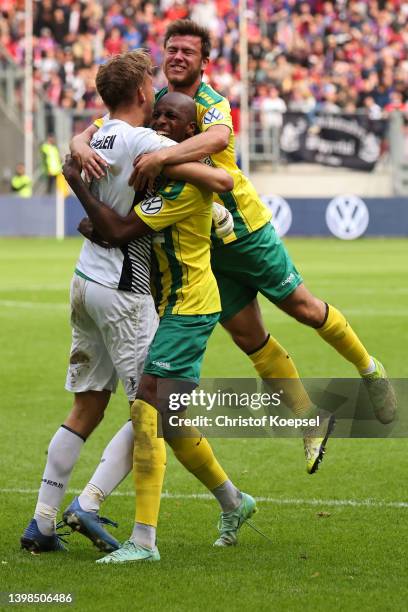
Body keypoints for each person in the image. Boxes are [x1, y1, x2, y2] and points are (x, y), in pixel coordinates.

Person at [72, 20, 396, 477]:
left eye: (189, 51)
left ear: (205, 62)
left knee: (303, 308)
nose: (179, 56)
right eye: (172, 49)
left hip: (244, 230)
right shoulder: (155, 104)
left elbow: (219, 139)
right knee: (250, 339)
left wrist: (164, 156)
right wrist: (76, 142)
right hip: (201, 246)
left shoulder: (211, 102)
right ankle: (309, 421)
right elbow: (100, 126)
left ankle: (369, 368)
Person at [21, 50, 252, 558]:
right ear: (145, 92)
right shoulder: (147, 139)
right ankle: (90, 504)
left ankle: (41, 521)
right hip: (125, 290)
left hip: (84, 279)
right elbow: (219, 177)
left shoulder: (99, 134)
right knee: (150, 406)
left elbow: (90, 158)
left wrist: (77, 153)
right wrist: (170, 157)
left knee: (88, 404)